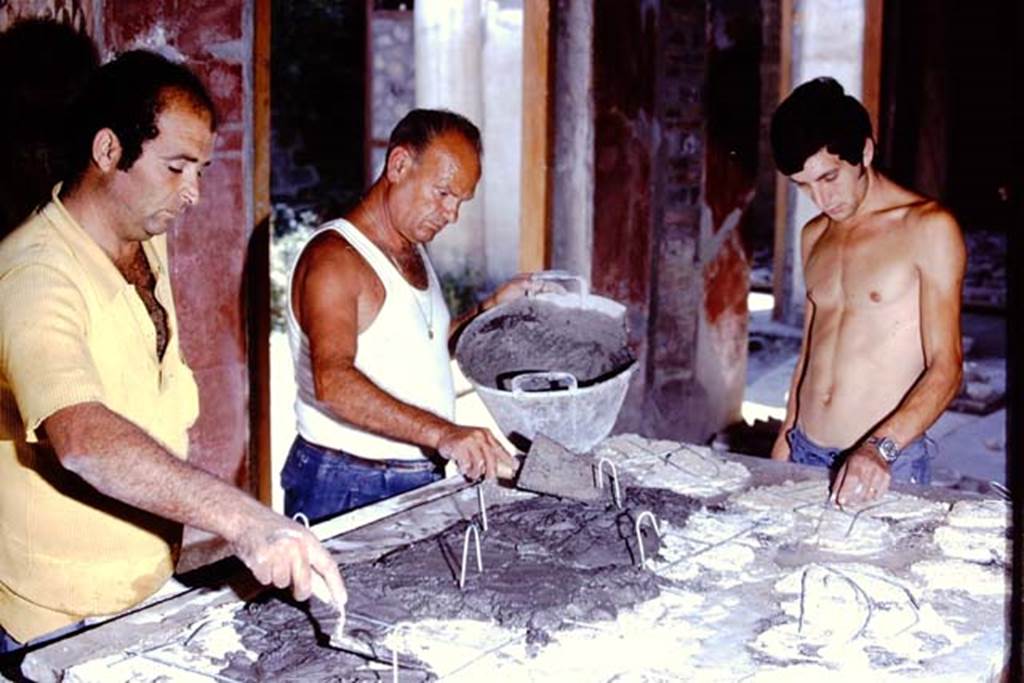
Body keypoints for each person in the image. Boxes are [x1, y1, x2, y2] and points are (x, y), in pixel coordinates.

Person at [0, 50, 345, 653]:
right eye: (177, 168)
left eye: (203, 172)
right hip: (58, 614)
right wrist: (245, 520)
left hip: (142, 585)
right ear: (108, 152)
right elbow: (80, 437)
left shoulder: (141, 245)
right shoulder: (32, 275)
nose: (194, 194)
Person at [282, 109, 534, 522]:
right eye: (443, 193)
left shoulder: (407, 246)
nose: (452, 214)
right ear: (399, 165)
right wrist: (446, 434)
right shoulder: (335, 259)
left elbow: (421, 349)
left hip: (410, 475)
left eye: (460, 202)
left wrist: (491, 309)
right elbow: (333, 382)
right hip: (349, 482)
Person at [768, 77, 965, 507]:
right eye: (804, 185)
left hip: (883, 465)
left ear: (866, 152)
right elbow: (809, 353)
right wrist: (784, 441)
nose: (821, 198)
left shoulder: (928, 228)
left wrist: (880, 449)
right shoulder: (814, 235)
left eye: (830, 177)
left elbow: (946, 368)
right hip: (804, 450)